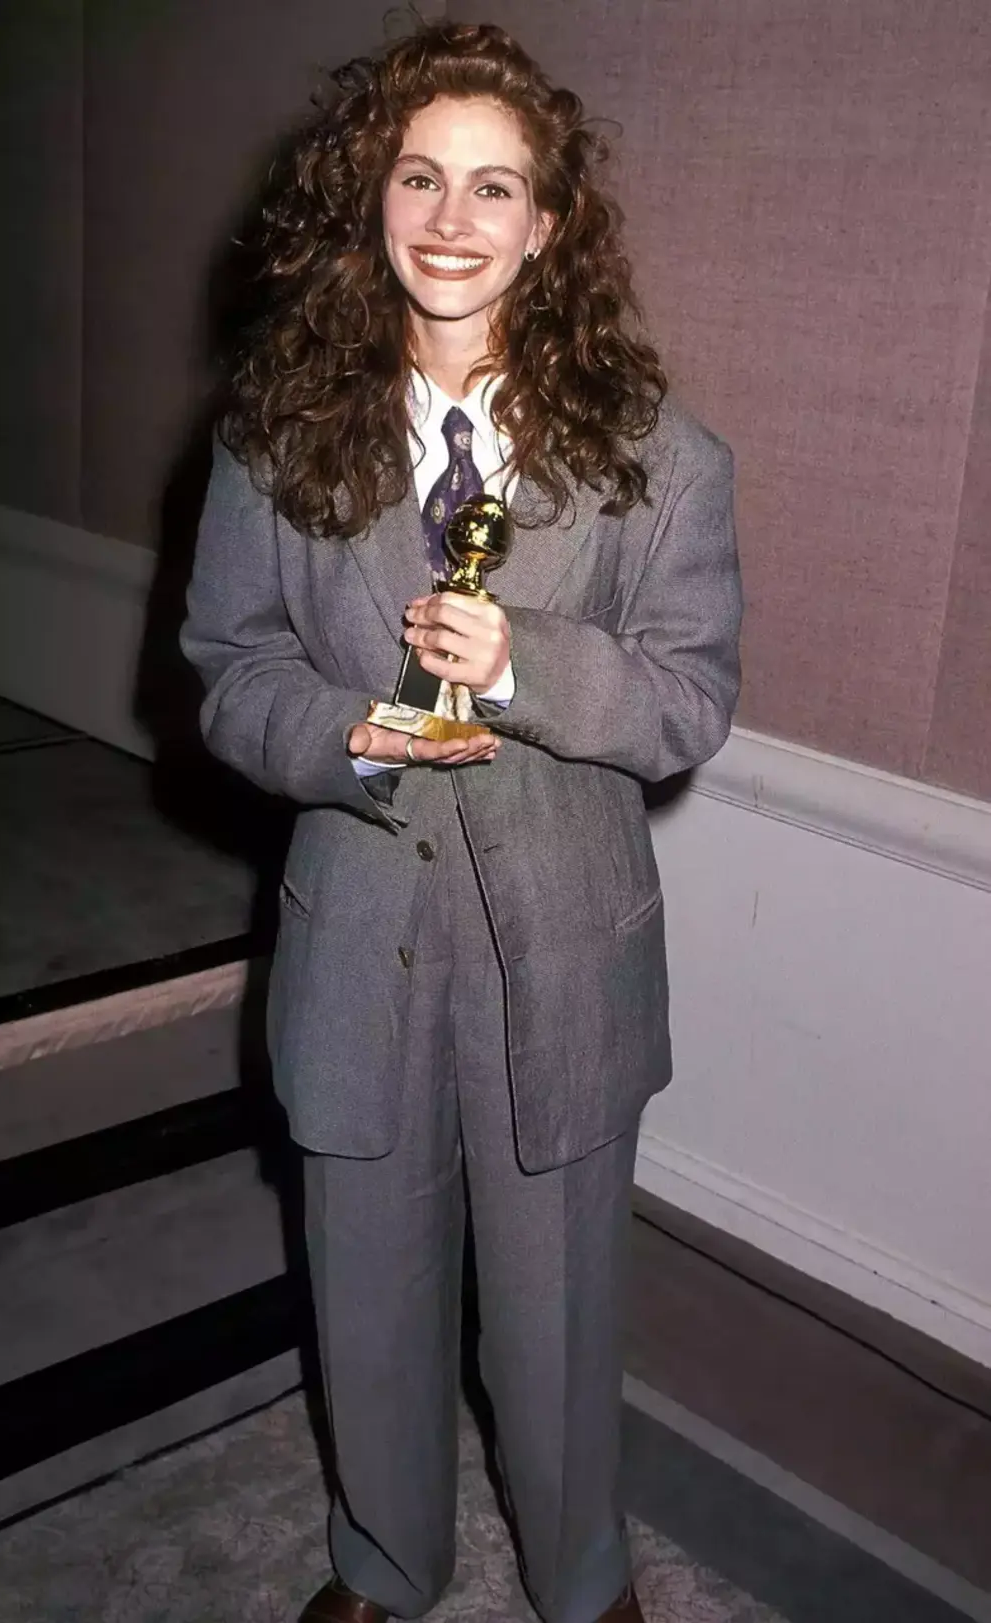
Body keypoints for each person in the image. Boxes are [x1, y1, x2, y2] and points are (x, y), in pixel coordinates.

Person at [181, 20, 742, 1623]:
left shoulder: (661, 461)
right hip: (357, 923)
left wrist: (524, 664)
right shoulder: (275, 436)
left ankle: (582, 1574)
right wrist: (334, 732)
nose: (450, 218)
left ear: (545, 225)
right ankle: (382, 1556)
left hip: (562, 944)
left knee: (557, 1306)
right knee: (366, 1280)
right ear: (371, 197)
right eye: (419, 176)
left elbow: (688, 703)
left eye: (494, 187)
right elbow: (228, 667)